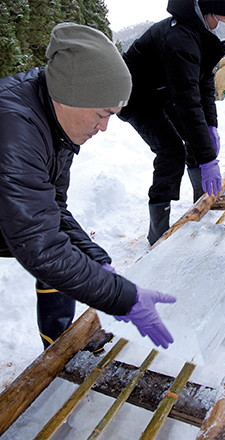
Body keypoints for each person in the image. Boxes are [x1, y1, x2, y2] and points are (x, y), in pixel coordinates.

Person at [0, 22, 176, 351]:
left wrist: (95, 259)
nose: (105, 127)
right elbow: (42, 247)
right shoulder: (15, 130)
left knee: (67, 258)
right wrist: (125, 298)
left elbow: (52, 211)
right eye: (103, 113)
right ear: (74, 96)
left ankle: (60, 343)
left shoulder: (54, 117)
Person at [118, 0, 225, 245]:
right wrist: (208, 159)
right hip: (137, 98)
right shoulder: (180, 38)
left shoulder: (203, 33)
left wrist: (211, 126)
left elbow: (204, 84)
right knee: (171, 151)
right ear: (209, 11)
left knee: (198, 140)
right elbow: (188, 102)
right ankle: (158, 231)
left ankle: (203, 197)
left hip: (165, 92)